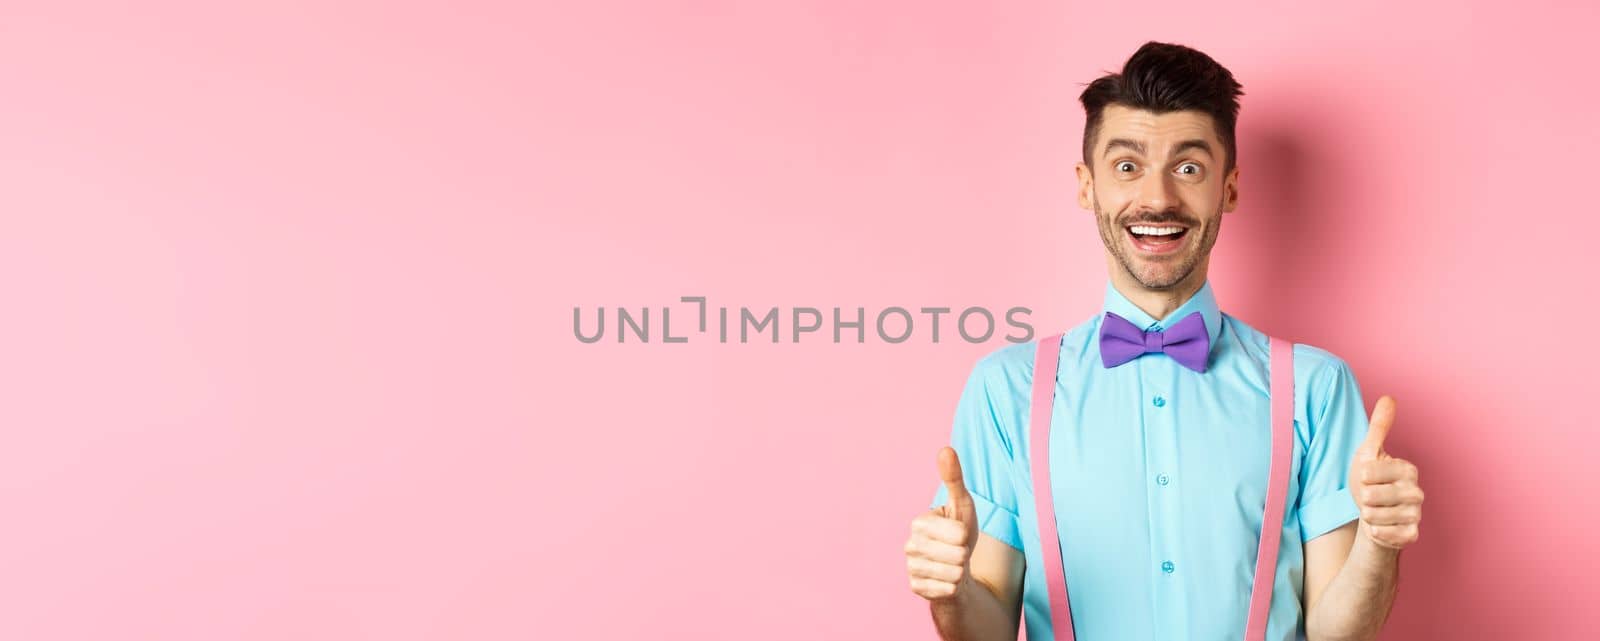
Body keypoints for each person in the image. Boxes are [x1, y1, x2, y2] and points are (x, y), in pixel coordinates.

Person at [903, 42, 1424, 641]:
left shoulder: (1316, 386)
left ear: (1228, 189)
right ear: (1086, 186)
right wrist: (950, 591)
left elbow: (1340, 634)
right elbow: (985, 631)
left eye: (1188, 168)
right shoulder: (1006, 388)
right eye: (1127, 166)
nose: (1157, 199)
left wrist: (1380, 546)